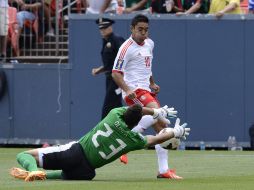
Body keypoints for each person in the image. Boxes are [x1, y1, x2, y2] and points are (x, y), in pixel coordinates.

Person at [10, 104, 190, 181]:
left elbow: (135, 110)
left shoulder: (114, 114)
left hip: (75, 152)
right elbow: (156, 139)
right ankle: (41, 176)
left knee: (23, 155)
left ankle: (33, 170)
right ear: (136, 124)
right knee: (64, 174)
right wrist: (175, 132)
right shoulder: (133, 139)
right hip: (87, 172)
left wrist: (155, 112)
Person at [112, 14, 182, 179]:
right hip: (134, 92)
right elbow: (115, 73)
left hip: (146, 91)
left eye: (146, 30)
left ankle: (163, 170)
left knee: (162, 128)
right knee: (158, 113)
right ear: (132, 29)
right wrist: (127, 89)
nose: (143, 33)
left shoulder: (150, 44)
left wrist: (152, 83)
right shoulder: (126, 47)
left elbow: (147, 66)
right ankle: (125, 141)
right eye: (140, 30)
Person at [92, 18, 125, 120]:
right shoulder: (106, 41)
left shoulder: (116, 39)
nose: (102, 31)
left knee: (108, 106)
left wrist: (120, 75)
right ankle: (121, 128)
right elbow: (110, 63)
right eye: (101, 29)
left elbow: (123, 58)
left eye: (105, 28)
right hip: (110, 78)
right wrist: (99, 70)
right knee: (115, 105)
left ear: (110, 27)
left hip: (116, 78)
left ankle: (103, 130)